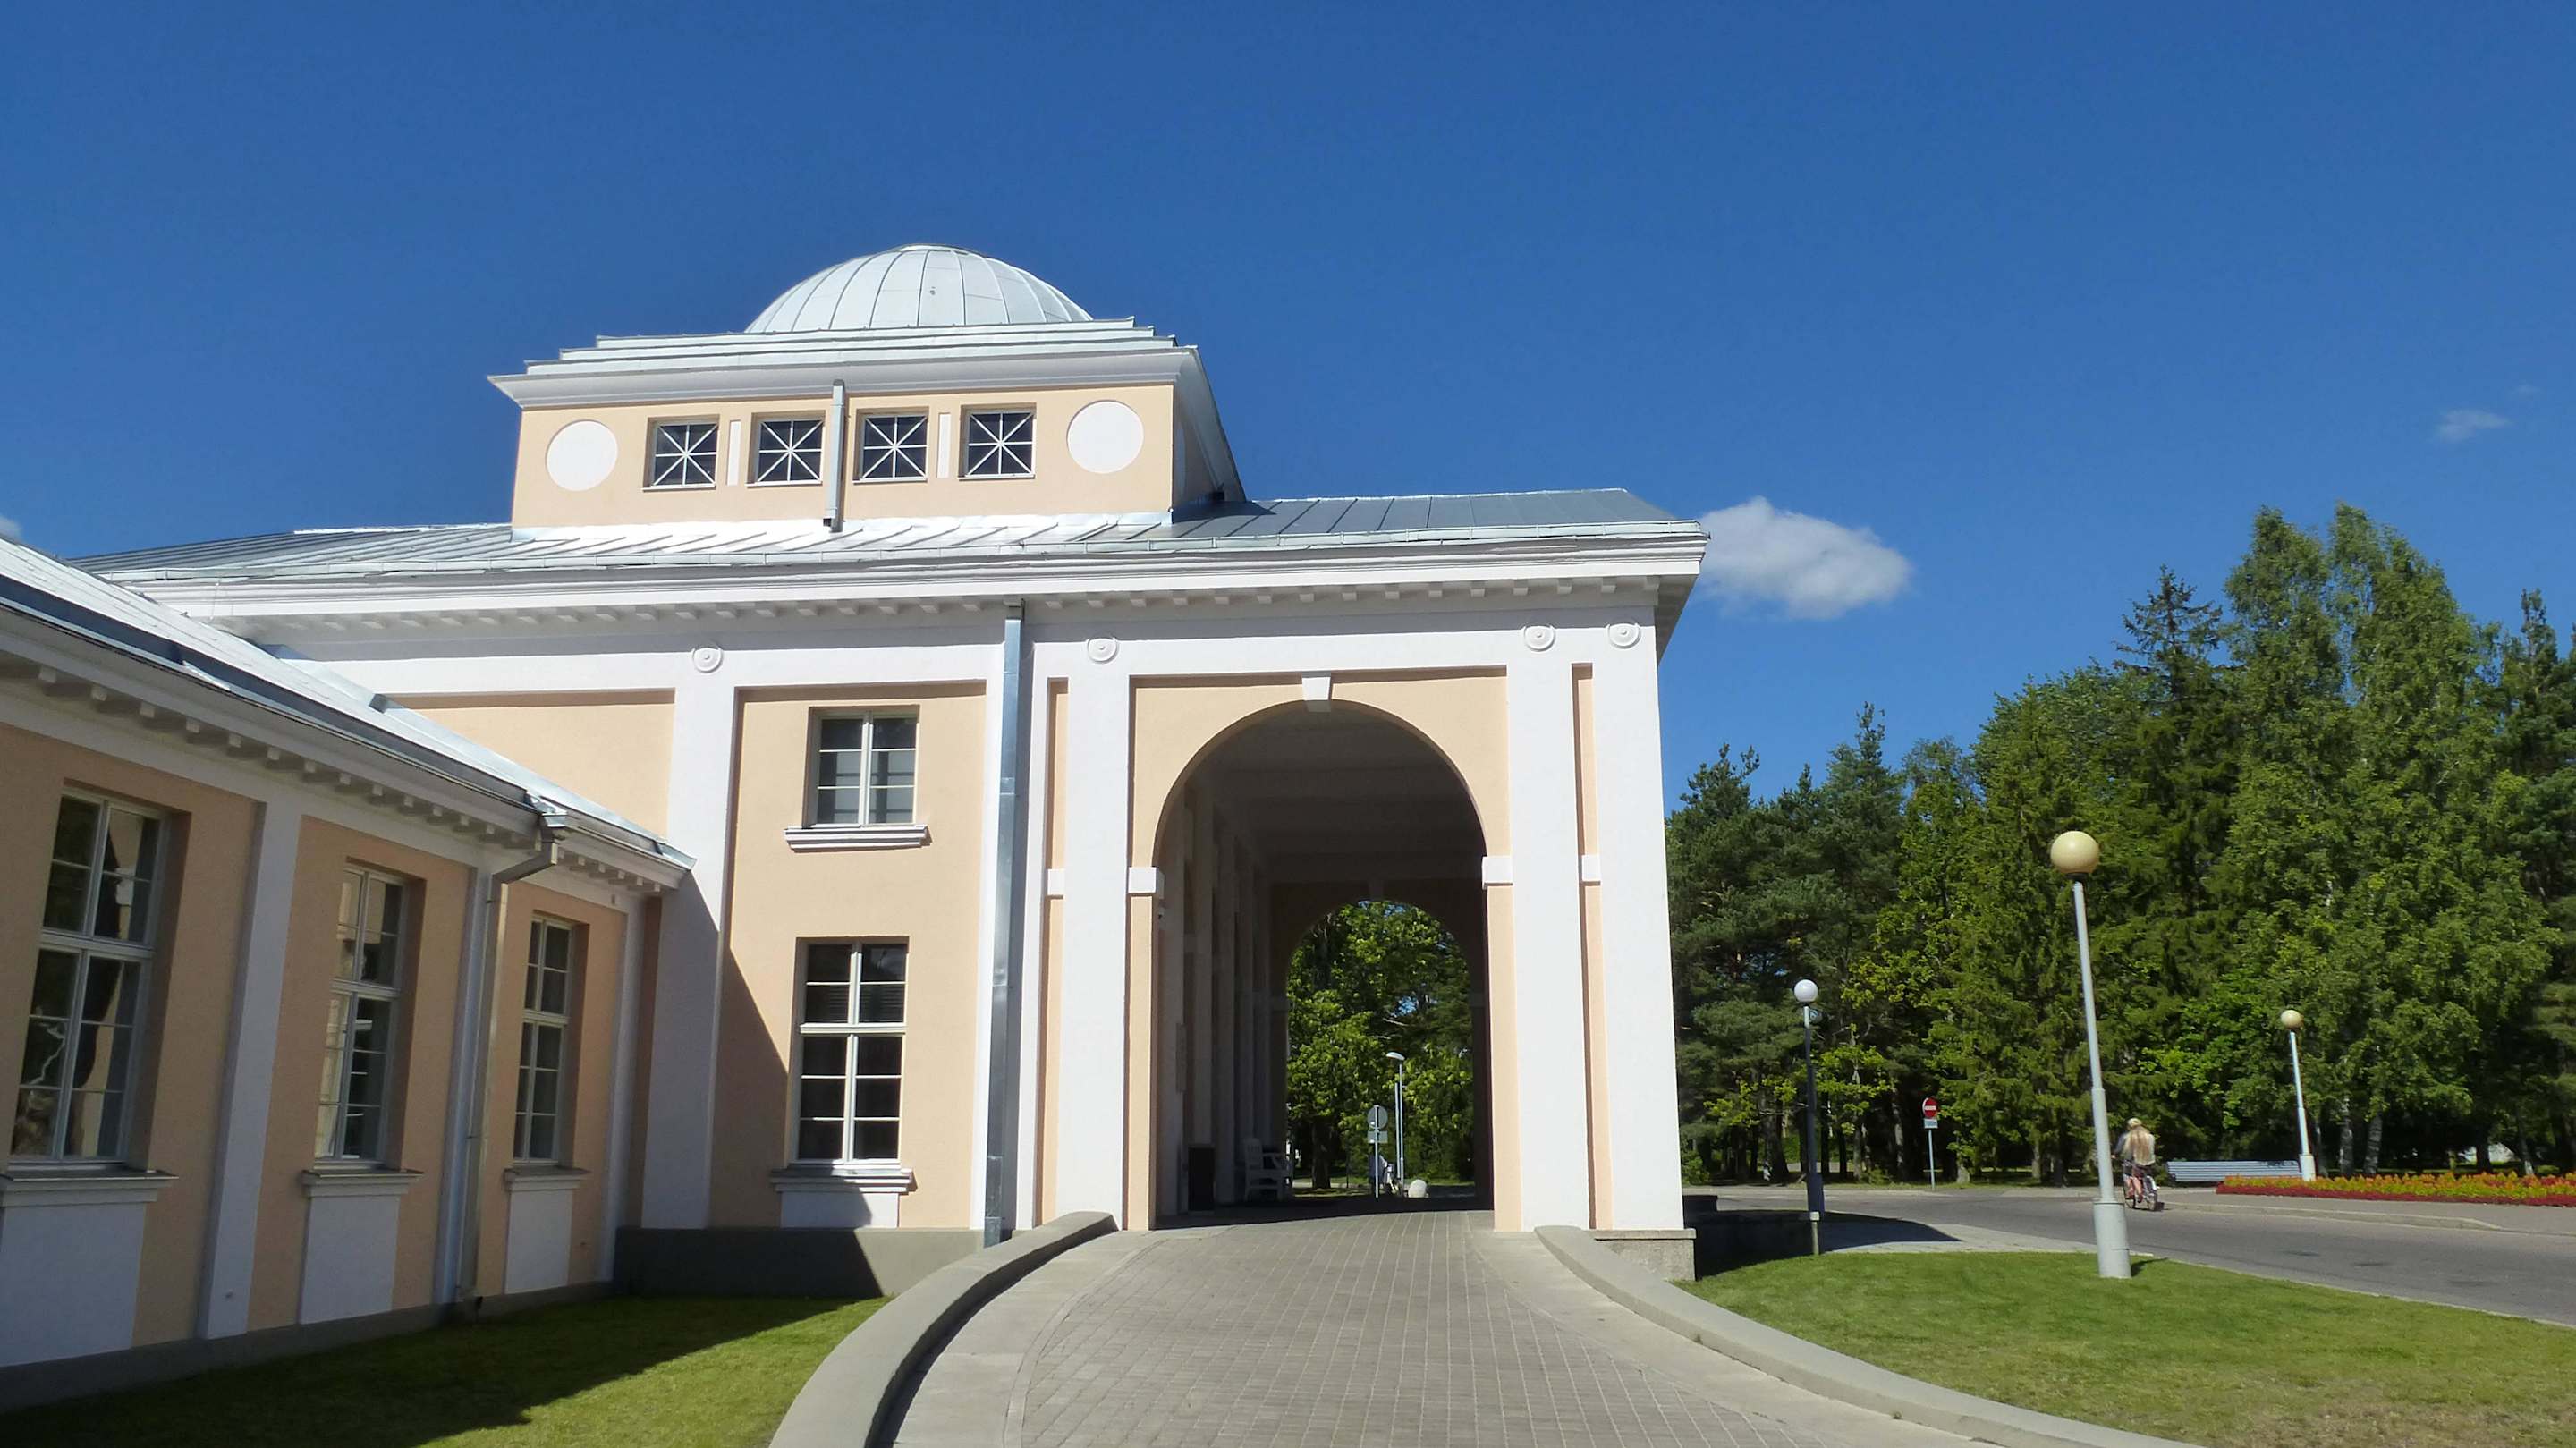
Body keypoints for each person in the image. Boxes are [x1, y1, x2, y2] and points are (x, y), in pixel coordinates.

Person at [2119, 1117, 2159, 1207]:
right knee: (2147, 1175)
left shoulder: (2132, 1137)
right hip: (2150, 1162)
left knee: (2134, 1176)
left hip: (2137, 1161)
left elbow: (2128, 1152)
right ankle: (2150, 1190)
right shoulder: (2150, 1136)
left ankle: (2138, 1192)